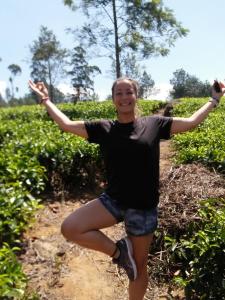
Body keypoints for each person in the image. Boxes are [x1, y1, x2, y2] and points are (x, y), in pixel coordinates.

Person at [28, 78, 224, 300]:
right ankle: (120, 252)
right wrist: (45, 99)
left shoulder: (154, 124)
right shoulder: (103, 128)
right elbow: (66, 123)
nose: (124, 97)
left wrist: (214, 100)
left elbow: (191, 122)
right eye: (119, 93)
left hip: (143, 208)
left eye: (128, 92)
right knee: (71, 227)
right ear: (113, 99)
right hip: (114, 201)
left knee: (138, 269)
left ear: (136, 96)